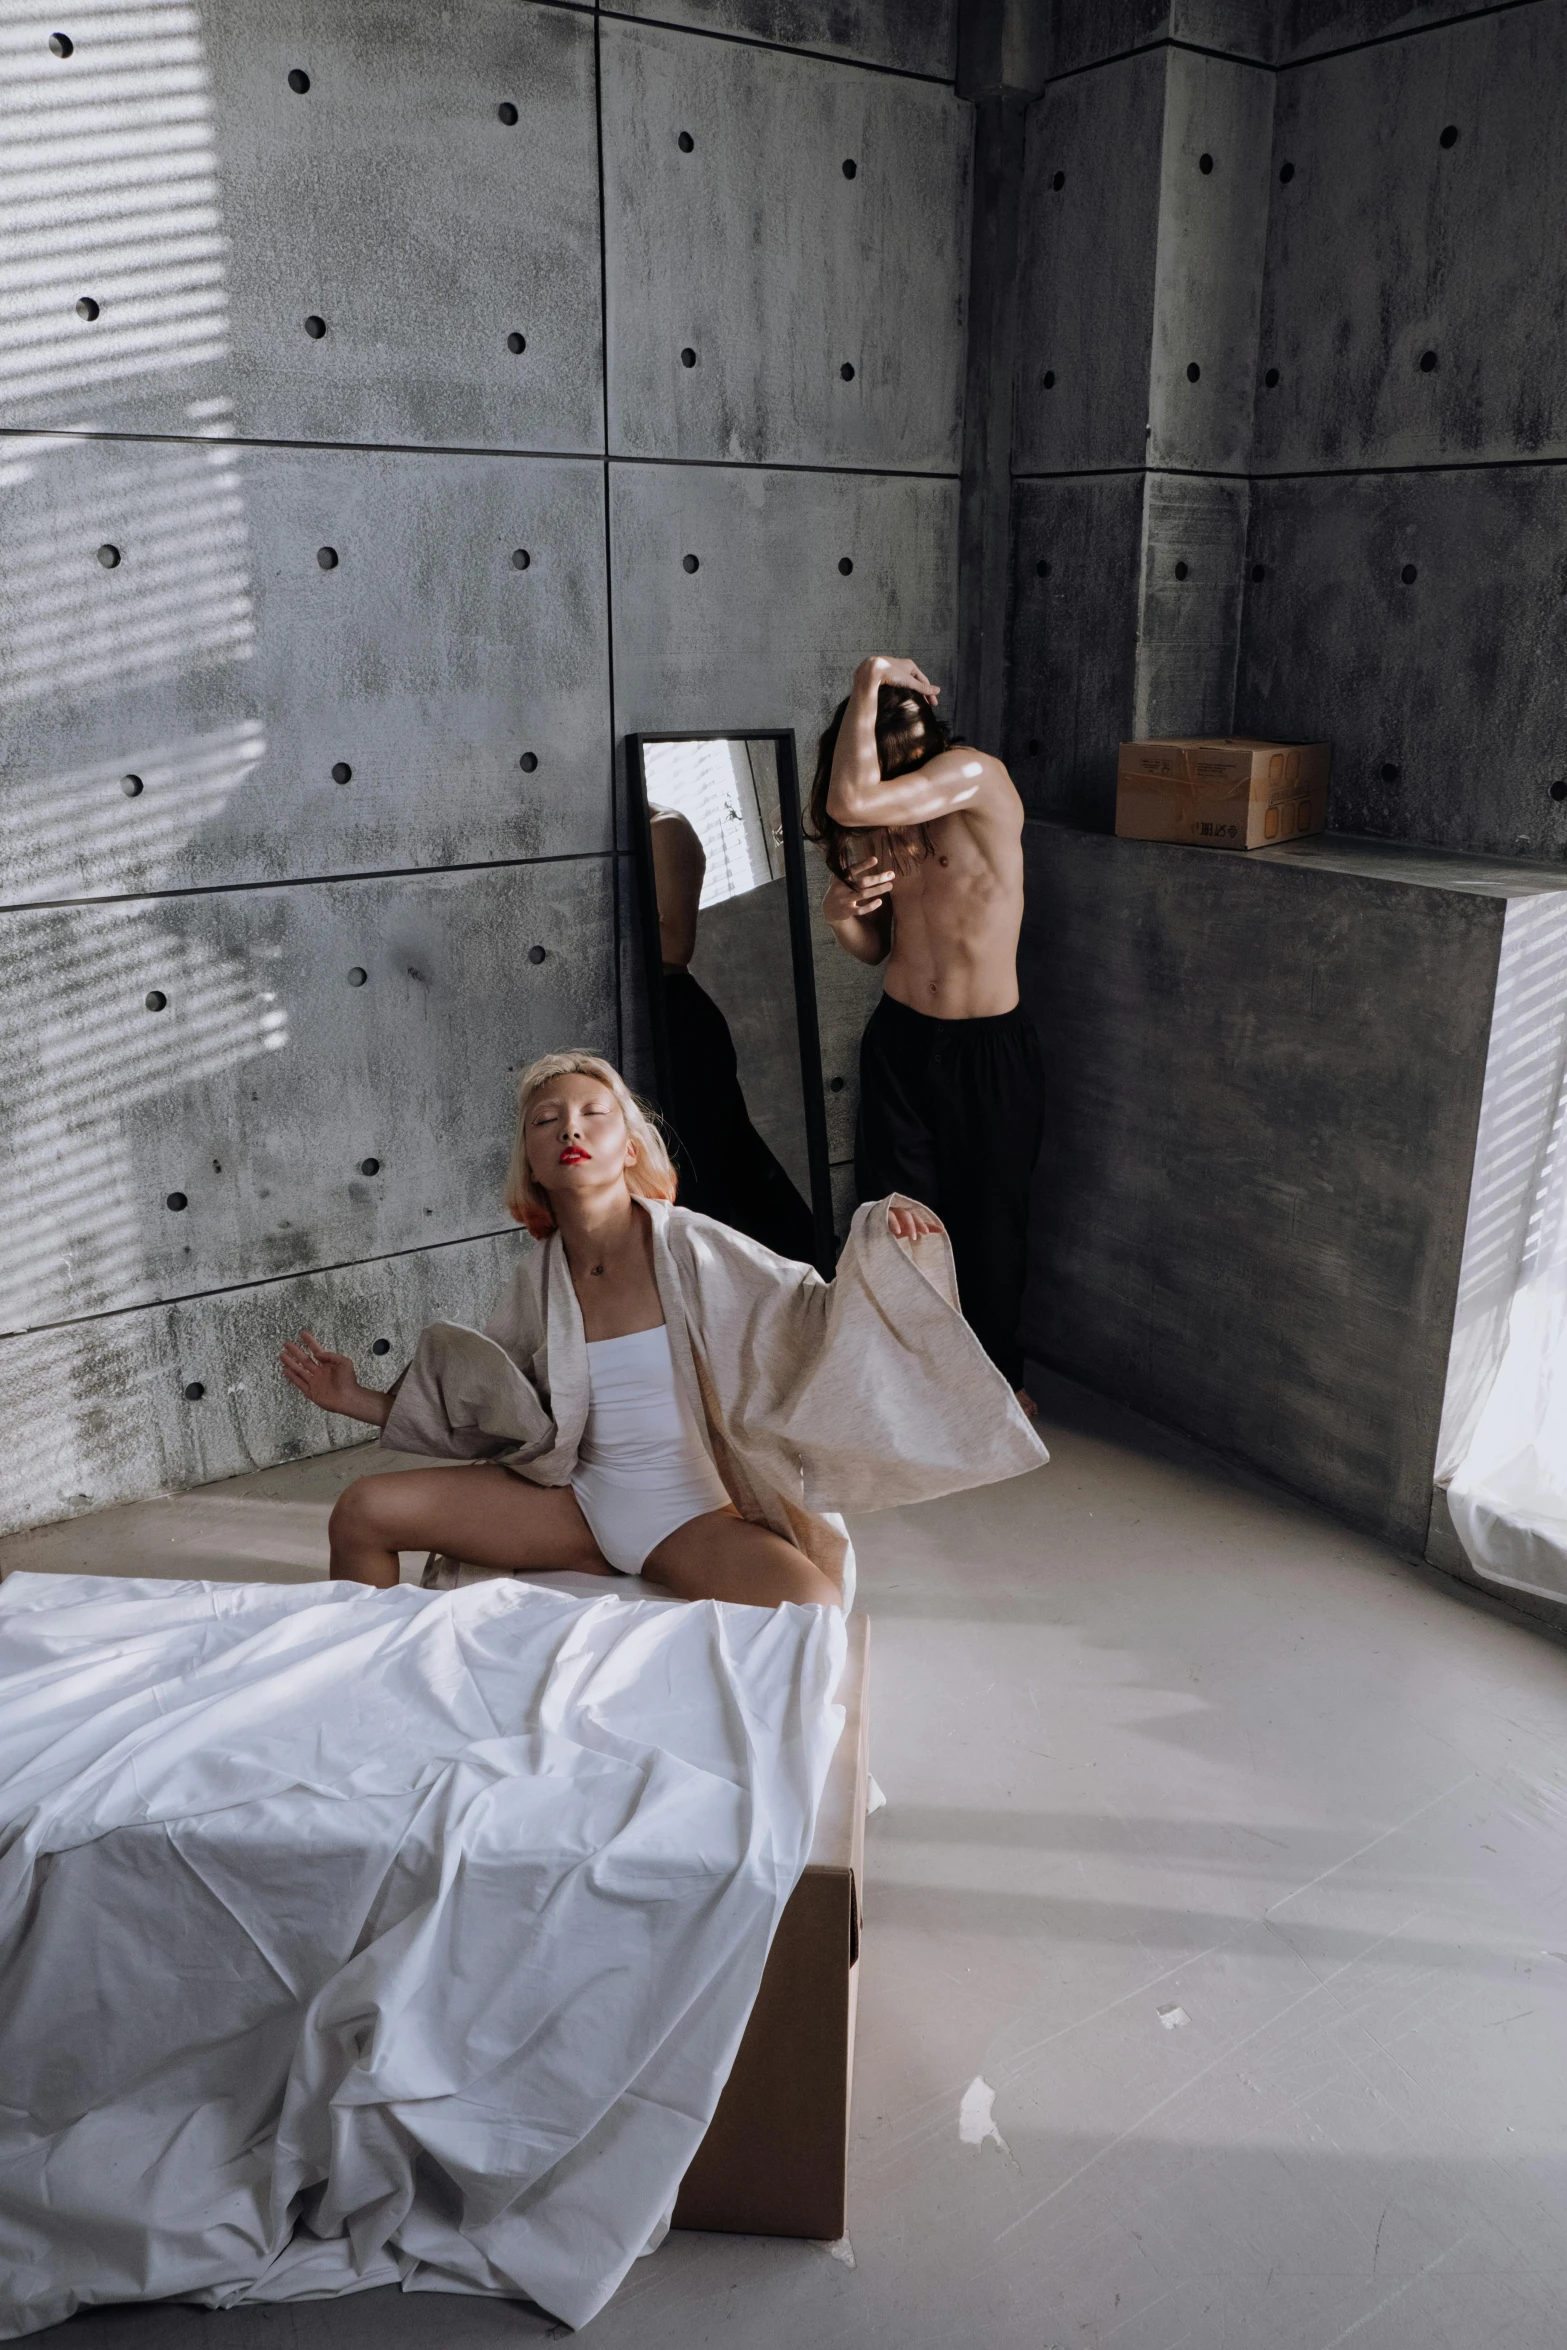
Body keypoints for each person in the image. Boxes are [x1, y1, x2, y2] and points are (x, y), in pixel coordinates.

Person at [281, 1050, 1046, 1608]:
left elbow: (809, 1315)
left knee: (809, 1613)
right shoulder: (536, 1279)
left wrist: (884, 1241)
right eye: (546, 1122)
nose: (568, 1129)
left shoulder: (692, 1244)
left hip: (689, 1515)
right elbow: (496, 1416)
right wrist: (363, 1401)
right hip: (577, 1505)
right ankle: (368, 1681)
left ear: (629, 1145)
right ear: (533, 1165)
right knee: (363, 1510)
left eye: (592, 1114)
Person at [807, 655, 1044, 1407]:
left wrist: (868, 676)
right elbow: (877, 948)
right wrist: (843, 917)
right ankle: (901, 1375)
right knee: (891, 1218)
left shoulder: (974, 776)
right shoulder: (887, 827)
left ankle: (992, 1387)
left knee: (988, 1221)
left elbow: (849, 798)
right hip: (901, 1039)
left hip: (987, 1049)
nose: (889, 789)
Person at [649, 804, 816, 1262]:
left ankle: (806, 1271)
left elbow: (677, 944)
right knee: (700, 1176)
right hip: (643, 1024)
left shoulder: (664, 828)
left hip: (678, 1022)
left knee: (716, 1170)